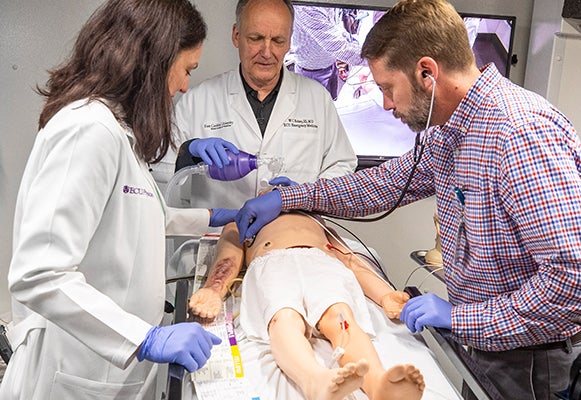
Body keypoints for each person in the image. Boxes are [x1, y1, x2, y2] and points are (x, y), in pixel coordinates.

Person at [234, 0, 581, 398]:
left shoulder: (519, 134)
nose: (387, 105)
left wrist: (463, 319)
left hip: (534, 364)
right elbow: (382, 186)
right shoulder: (452, 133)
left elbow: (578, 277)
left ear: (426, 72)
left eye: (389, 89)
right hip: (491, 349)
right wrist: (291, 197)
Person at [0, 1, 239, 399]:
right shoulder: (87, 130)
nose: (183, 85)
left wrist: (215, 217)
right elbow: (38, 273)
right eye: (186, 70)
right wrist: (144, 338)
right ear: (152, 61)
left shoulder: (118, 130)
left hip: (111, 371)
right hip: (74, 373)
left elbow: (139, 217)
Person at [188, 212, 424, 400]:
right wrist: (214, 290)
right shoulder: (244, 218)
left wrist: (384, 295)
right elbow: (228, 258)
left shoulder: (316, 220)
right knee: (284, 318)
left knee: (341, 317)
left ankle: (378, 385)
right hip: (272, 263)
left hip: (321, 261)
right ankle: (314, 380)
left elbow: (350, 258)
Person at [152, 0, 357, 210]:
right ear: (236, 36)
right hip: (219, 237)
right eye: (256, 38)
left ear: (289, 42)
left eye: (278, 40)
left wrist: (305, 197)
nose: (267, 52)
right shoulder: (197, 101)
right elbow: (159, 175)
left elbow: (342, 165)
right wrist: (188, 154)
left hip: (292, 236)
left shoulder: (317, 99)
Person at [291, 5, 365, 100]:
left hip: (331, 64)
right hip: (311, 73)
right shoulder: (307, 8)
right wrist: (379, 58)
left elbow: (334, 23)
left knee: (331, 102)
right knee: (314, 111)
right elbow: (339, 48)